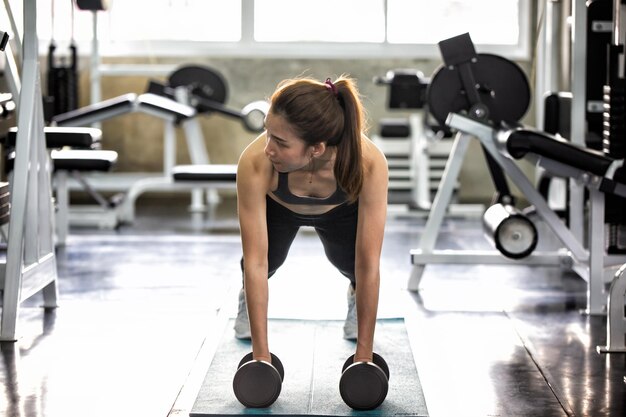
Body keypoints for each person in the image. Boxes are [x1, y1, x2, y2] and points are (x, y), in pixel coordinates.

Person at [235, 75, 388, 365]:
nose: (268, 147)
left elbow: (369, 263)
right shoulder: (255, 162)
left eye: (280, 141)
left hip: (340, 211)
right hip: (278, 207)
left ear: (316, 148)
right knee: (265, 262)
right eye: (267, 132)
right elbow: (256, 260)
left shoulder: (369, 163)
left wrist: (364, 358)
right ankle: (246, 297)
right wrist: (260, 358)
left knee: (350, 263)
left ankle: (356, 298)